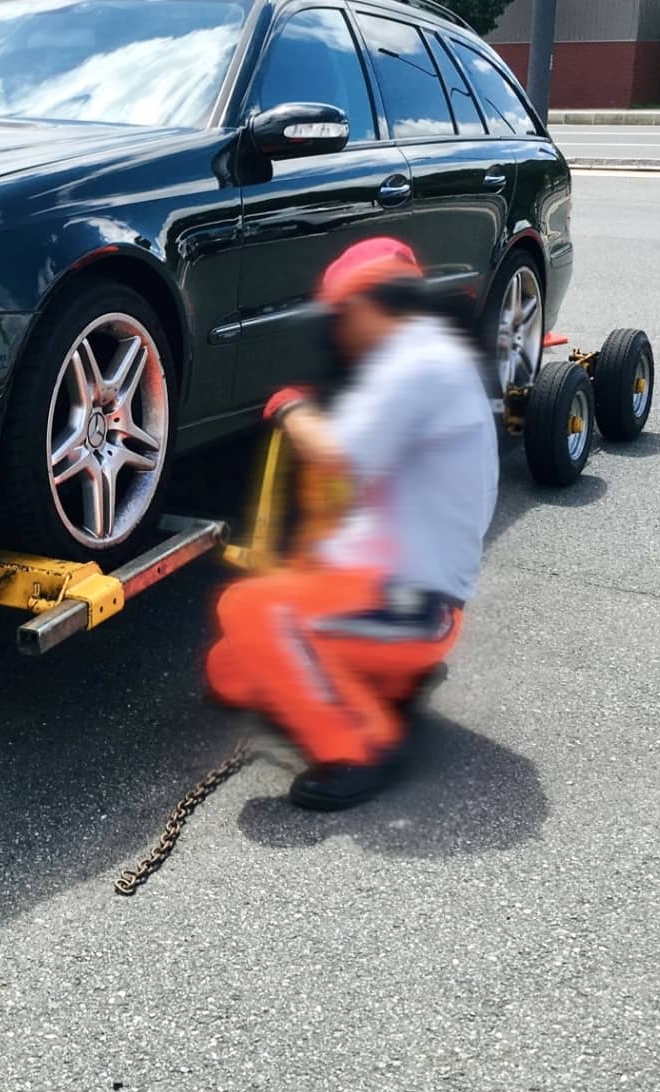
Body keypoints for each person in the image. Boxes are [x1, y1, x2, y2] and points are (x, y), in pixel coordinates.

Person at [206, 237, 496, 810]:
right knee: (230, 672)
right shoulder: (434, 358)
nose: (340, 334)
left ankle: (360, 744)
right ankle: (384, 683)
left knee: (250, 611)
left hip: (414, 609)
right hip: (410, 596)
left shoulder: (414, 362)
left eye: (342, 317)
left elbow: (338, 455)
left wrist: (291, 408)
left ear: (364, 304)